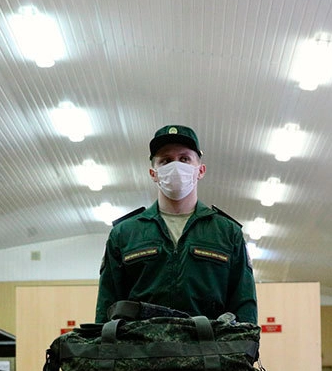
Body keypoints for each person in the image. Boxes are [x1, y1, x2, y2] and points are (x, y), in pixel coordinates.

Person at [95, 125, 257, 323]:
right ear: (153, 173)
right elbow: (107, 308)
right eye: (165, 160)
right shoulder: (125, 233)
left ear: (200, 170)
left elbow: (244, 307)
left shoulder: (227, 232)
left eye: (184, 159)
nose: (176, 167)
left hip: (207, 342)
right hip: (142, 342)